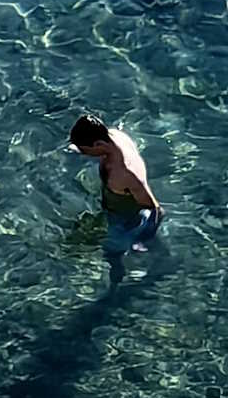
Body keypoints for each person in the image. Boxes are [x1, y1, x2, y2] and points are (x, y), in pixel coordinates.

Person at [68, 114, 164, 285]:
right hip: (112, 201)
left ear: (98, 144)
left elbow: (155, 208)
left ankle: (116, 285)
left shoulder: (124, 173)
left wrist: (141, 238)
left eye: (85, 150)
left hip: (124, 216)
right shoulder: (113, 135)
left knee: (112, 252)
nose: (84, 154)